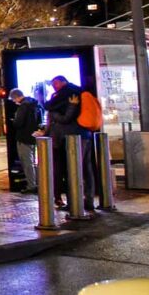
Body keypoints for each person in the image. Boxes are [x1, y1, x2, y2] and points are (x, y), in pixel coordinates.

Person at [41, 75, 94, 212]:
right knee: (85, 170)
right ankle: (88, 200)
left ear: (63, 82)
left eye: (56, 83)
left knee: (74, 170)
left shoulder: (67, 92)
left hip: (74, 138)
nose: (54, 87)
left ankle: (75, 204)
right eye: (53, 84)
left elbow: (60, 114)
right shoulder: (77, 90)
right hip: (84, 135)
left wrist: (54, 112)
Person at [9, 88, 40, 193]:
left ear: (17, 97)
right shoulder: (33, 104)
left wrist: (14, 120)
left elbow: (18, 123)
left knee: (27, 162)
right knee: (31, 162)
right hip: (33, 137)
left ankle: (31, 185)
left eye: (14, 99)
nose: (14, 101)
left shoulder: (23, 106)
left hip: (23, 137)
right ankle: (35, 183)